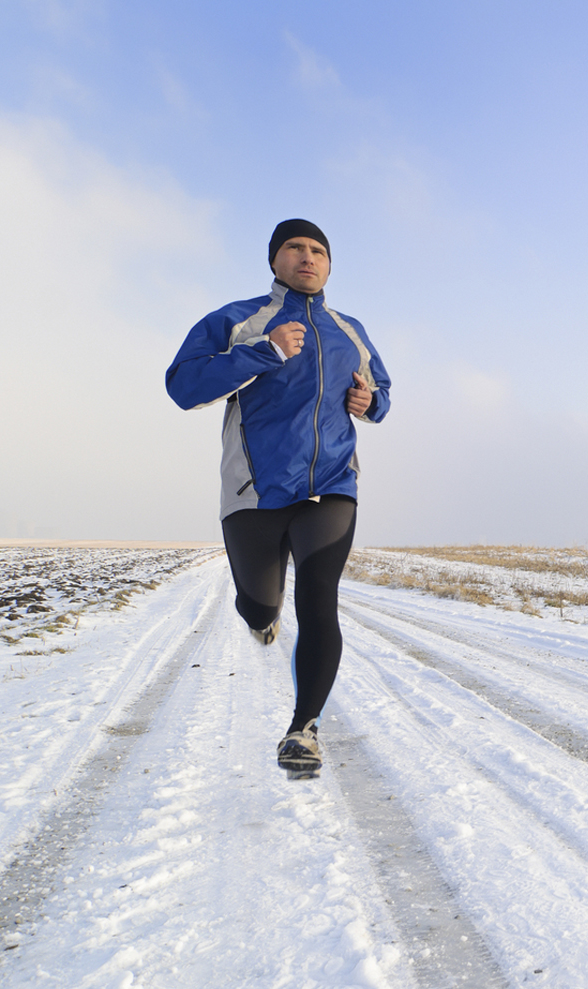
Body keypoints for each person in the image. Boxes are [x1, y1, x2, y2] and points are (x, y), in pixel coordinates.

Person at [166, 219, 390, 776]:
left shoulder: (349, 328)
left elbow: (382, 390)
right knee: (261, 602)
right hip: (255, 491)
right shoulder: (238, 320)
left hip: (332, 486)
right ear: (274, 260)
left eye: (318, 250)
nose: (307, 257)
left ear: (330, 265)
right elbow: (183, 386)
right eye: (295, 247)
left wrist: (371, 401)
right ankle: (260, 617)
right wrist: (263, 353)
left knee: (319, 600)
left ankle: (303, 729)